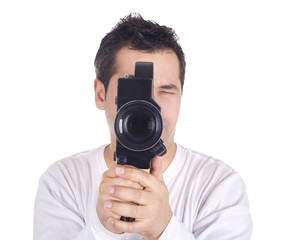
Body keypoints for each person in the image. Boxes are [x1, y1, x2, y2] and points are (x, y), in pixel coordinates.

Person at [33, 13, 252, 240]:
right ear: (100, 94)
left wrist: (164, 229)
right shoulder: (64, 181)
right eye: (135, 91)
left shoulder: (218, 186)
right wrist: (101, 228)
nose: (151, 106)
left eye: (166, 90)